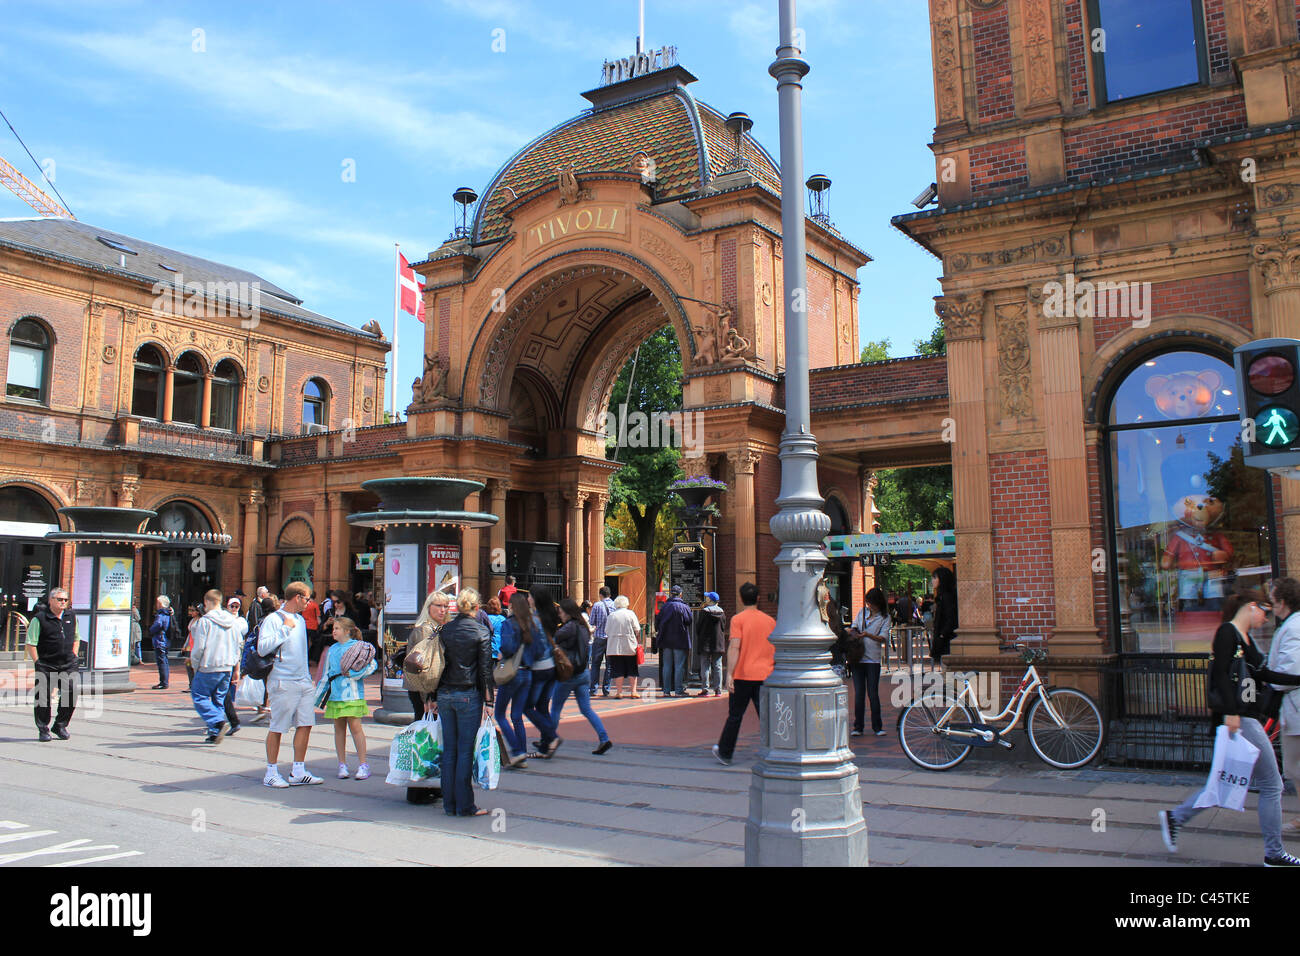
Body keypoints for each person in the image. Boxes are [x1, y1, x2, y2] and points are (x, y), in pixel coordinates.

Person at [1159, 589, 1300, 866]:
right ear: (1251, 606)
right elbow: (1221, 674)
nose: (1266, 617)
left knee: (1222, 783)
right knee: (1273, 785)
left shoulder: (1247, 642)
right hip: (1239, 720)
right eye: (1264, 611)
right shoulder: (1227, 633)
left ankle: (1175, 818)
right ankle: (1274, 854)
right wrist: (1232, 713)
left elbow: (1264, 674)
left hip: (1244, 718)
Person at [257, 581, 324, 787]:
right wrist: (284, 630)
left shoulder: (301, 620)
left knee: (305, 724)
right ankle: (271, 771)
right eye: (307, 598)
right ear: (297, 597)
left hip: (302, 679)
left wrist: (307, 677)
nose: (308, 602)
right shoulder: (274, 620)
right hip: (282, 680)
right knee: (278, 726)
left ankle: (298, 770)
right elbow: (262, 648)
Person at [434, 588, 492, 817]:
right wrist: (489, 701)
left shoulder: (444, 630)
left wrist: (432, 695)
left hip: (445, 693)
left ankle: (449, 804)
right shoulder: (481, 632)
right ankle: (465, 805)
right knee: (465, 750)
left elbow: (437, 665)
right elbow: (485, 670)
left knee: (449, 750)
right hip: (468, 694)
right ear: (476, 608)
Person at [396, 590, 451, 806]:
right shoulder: (423, 631)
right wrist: (427, 697)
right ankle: (416, 790)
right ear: (428, 607)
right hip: (423, 692)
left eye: (445, 606)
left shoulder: (439, 629)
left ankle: (430, 785)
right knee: (423, 739)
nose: (442, 610)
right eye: (438, 606)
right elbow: (418, 667)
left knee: (432, 739)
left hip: (432, 691)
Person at [712, 582, 775, 766]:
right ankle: (775, 750)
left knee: (735, 716)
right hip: (766, 675)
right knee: (766, 716)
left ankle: (725, 752)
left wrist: (729, 674)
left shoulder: (738, 620)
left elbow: (735, 647)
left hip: (743, 675)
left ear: (740, 598)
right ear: (758, 598)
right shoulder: (770, 621)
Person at [550, 597, 613, 755]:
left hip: (568, 673)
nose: (560, 614)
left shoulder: (569, 627)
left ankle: (548, 740)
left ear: (567, 612)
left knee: (556, 707)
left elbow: (553, 638)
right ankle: (604, 738)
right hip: (583, 672)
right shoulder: (583, 626)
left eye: (561, 611)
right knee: (586, 709)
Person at [319, 616, 377, 779]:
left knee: (356, 727)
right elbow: (326, 672)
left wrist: (355, 674)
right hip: (335, 694)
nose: (334, 631)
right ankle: (342, 764)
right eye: (333, 629)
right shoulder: (332, 649)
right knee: (339, 729)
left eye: (337, 628)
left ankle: (363, 764)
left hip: (352, 694)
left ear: (347, 631)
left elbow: (372, 665)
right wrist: (319, 694)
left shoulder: (359, 647)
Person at [1267, 577, 1300, 833]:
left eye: (1273, 600)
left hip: (1297, 709)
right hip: (1293, 708)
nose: (1271, 606)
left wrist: (1267, 677)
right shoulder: (1292, 625)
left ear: (1283, 601)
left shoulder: (1293, 627)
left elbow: (1290, 671)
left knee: (1295, 766)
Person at [188, 589, 241, 743]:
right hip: (227, 666)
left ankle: (217, 722)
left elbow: (199, 648)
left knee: (199, 696)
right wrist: (235, 665)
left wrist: (195, 665)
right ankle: (214, 732)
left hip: (209, 665)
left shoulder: (205, 621)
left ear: (207, 602)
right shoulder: (232, 621)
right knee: (218, 699)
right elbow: (238, 644)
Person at [27, 587, 78, 742]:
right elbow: (31, 643)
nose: (63, 602)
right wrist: (38, 662)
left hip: (67, 663)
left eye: (65, 600)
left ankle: (60, 725)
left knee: (71, 693)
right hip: (47, 664)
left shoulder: (71, 616)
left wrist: (74, 654)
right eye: (59, 599)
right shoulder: (40, 618)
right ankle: (43, 729)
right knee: (43, 697)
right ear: (51, 601)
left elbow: (76, 637)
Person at [496, 591, 539, 767]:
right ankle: (521, 752)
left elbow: (507, 647)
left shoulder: (509, 624)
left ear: (512, 606)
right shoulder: (532, 625)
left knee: (500, 714)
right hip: (527, 672)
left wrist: (502, 654)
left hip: (512, 672)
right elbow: (539, 650)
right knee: (516, 714)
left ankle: (517, 750)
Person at [525, 586, 562, 757]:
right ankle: (545, 745)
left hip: (539, 667)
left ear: (535, 599)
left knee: (527, 706)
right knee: (542, 706)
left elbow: (537, 647)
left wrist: (527, 660)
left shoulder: (535, 619)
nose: (527, 599)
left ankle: (552, 737)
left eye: (530, 596)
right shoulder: (551, 616)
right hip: (552, 667)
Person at [849, 587, 890, 736]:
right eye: (868, 603)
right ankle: (858, 727)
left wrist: (867, 635)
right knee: (859, 693)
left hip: (873, 659)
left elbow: (883, 638)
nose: (870, 606)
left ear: (879, 603)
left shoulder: (885, 618)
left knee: (873, 693)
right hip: (857, 657)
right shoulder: (862, 612)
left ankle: (877, 727)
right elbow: (854, 627)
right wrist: (854, 633)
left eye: (872, 603)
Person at [655, 584, 693, 697]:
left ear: (671, 594)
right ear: (680, 594)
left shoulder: (664, 607)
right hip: (680, 640)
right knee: (679, 666)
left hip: (666, 640)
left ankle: (666, 691)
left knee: (666, 665)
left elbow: (657, 622)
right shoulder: (684, 607)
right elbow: (689, 621)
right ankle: (678, 690)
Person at [218, 595, 248, 736]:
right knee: (222, 692)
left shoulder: (240, 621)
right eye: (232, 606)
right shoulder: (223, 618)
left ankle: (221, 723)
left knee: (223, 691)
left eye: (237, 606)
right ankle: (226, 721)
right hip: (223, 657)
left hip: (231, 657)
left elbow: (242, 633)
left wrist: (236, 668)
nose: (235, 608)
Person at [605, 595, 642, 698]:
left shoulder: (611, 616)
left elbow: (606, 631)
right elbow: (637, 629)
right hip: (629, 645)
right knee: (632, 669)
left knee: (617, 669)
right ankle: (633, 691)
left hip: (614, 647)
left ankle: (619, 692)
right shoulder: (630, 614)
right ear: (626, 604)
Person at [693, 592, 727, 697]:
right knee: (718, 666)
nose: (706, 599)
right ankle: (718, 689)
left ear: (710, 600)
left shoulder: (704, 612)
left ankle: (705, 689)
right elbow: (723, 627)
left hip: (705, 642)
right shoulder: (722, 613)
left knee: (705, 665)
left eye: (707, 597)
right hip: (718, 642)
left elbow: (698, 627)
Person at [588, 586, 616, 697]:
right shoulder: (615, 605)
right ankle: (606, 689)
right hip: (611, 638)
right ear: (609, 594)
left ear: (601, 594)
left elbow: (591, 621)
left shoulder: (597, 605)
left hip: (599, 638)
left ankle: (593, 689)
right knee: (609, 665)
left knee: (595, 664)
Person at [930, 567, 958, 665]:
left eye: (934, 577)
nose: (932, 580)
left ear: (942, 579)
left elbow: (950, 618)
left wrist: (942, 634)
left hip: (947, 642)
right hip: (945, 640)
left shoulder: (946, 597)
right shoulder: (943, 596)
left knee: (948, 673)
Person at [149, 595, 173, 689]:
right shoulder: (168, 613)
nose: (156, 605)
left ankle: (163, 682)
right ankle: (164, 681)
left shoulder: (161, 614)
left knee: (161, 661)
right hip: (165, 640)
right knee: (164, 660)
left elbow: (158, 624)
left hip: (160, 640)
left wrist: (151, 630)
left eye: (158, 603)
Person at [184, 604, 202, 689]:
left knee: (194, 665)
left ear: (198, 611)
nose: (191, 612)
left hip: (196, 645)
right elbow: (190, 633)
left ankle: (195, 685)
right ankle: (191, 684)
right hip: (190, 645)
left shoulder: (201, 621)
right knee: (188, 664)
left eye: (193, 610)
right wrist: (185, 644)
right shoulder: (192, 620)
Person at [303, 591, 322, 665]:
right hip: (313, 626)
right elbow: (318, 617)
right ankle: (315, 658)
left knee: (306, 644)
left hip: (305, 625)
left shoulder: (305, 605)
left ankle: (306, 660)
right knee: (315, 643)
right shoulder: (315, 605)